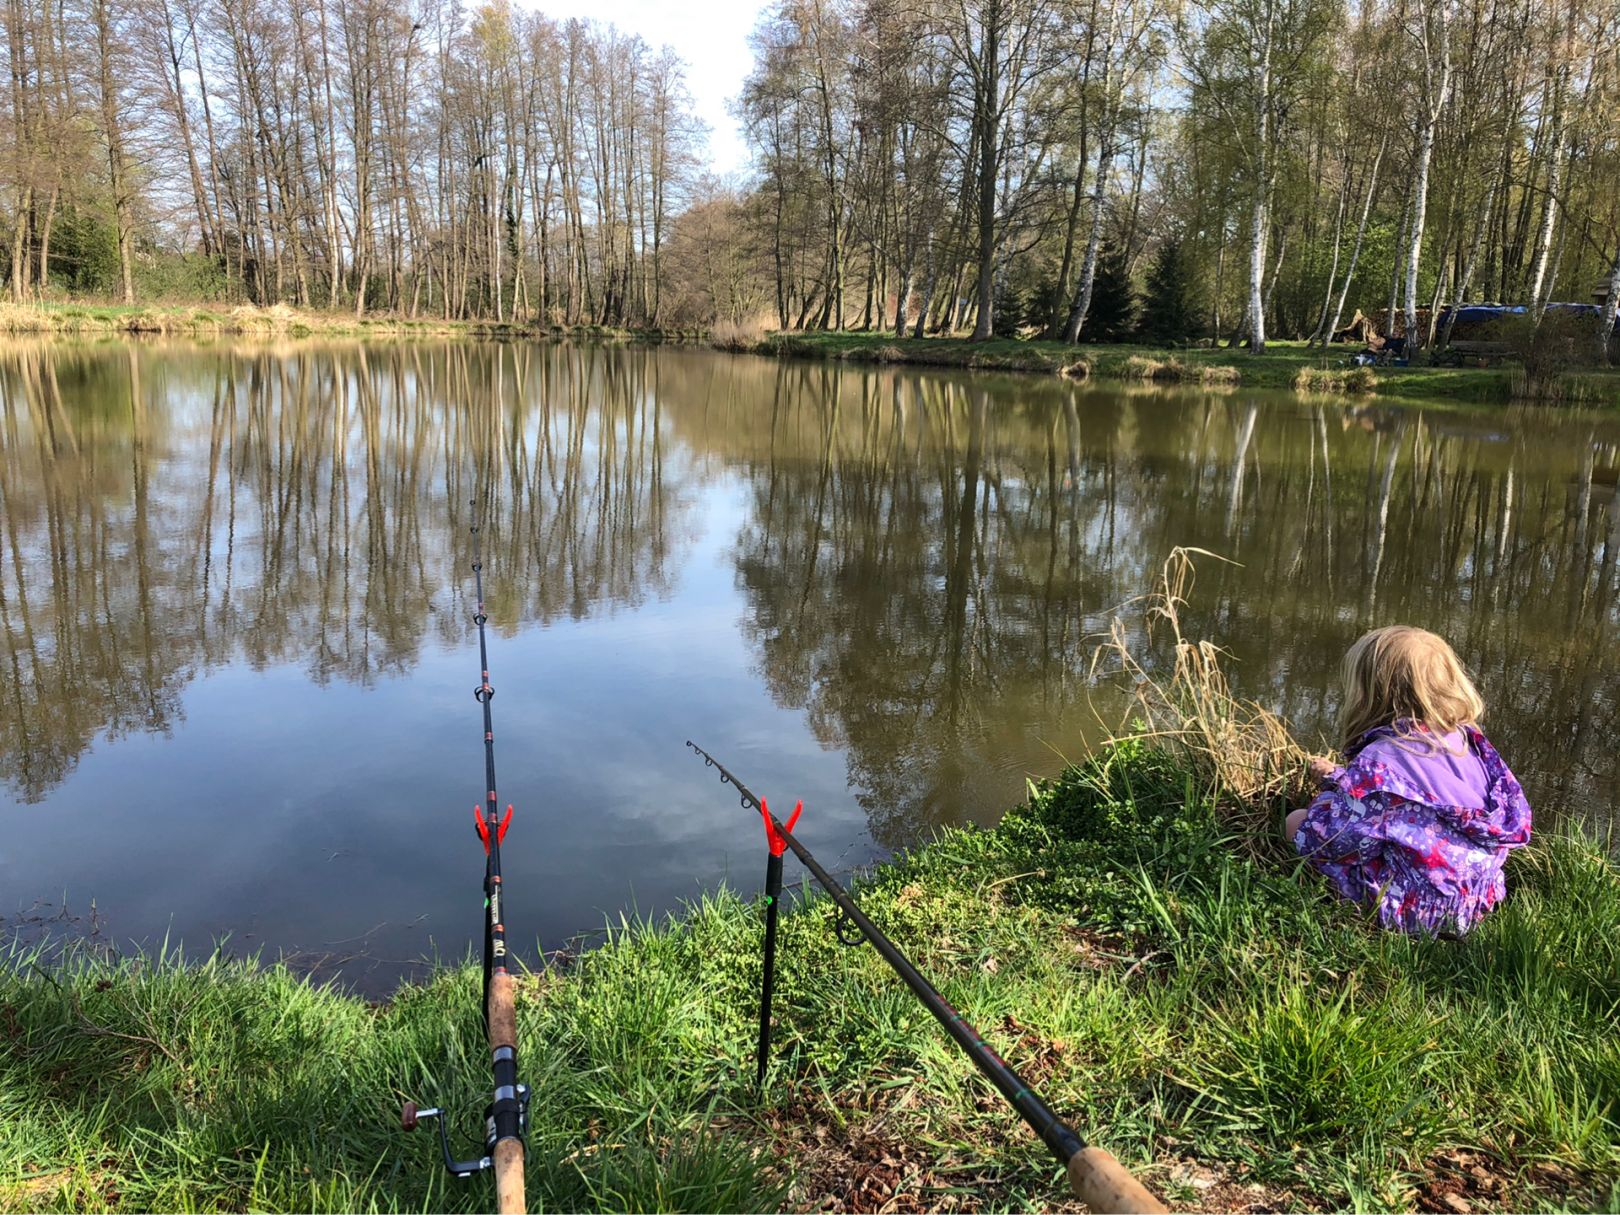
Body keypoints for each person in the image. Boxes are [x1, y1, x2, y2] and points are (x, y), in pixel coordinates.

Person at [1285, 626, 1532, 934]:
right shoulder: (1467, 744)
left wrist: (1323, 803)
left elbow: (1337, 843)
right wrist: (1340, 779)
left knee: (1297, 822)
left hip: (1420, 911)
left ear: (1370, 695)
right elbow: (1411, 801)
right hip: (1477, 899)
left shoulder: (1380, 760)